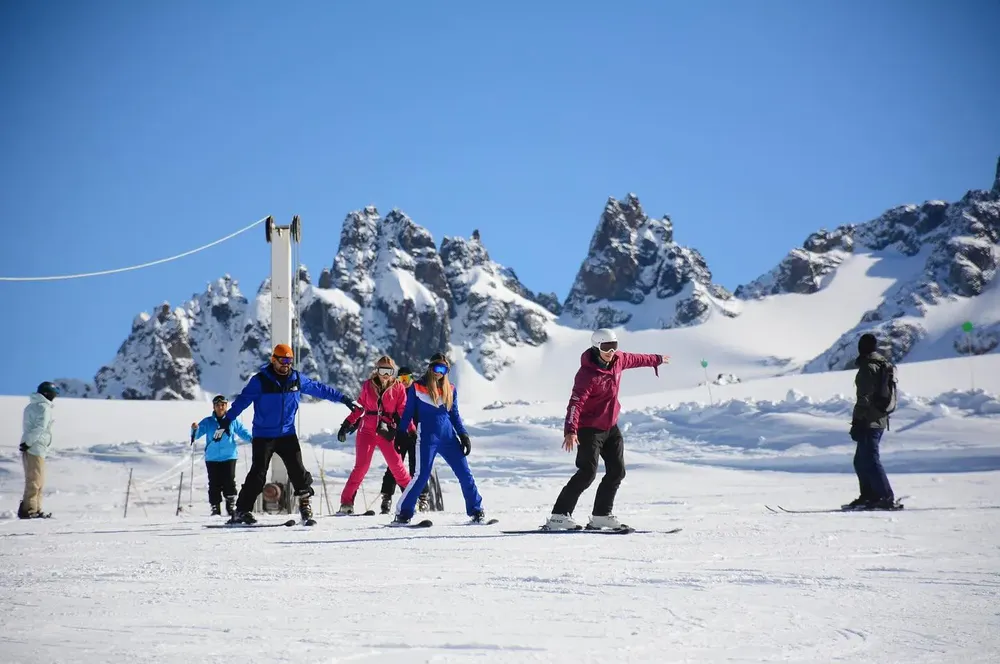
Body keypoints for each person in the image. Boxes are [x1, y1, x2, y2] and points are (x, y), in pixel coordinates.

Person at [219, 343, 361, 524]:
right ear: (273, 360)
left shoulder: (296, 379)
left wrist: (344, 399)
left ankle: (305, 506)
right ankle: (241, 511)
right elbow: (242, 402)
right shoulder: (260, 381)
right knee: (258, 474)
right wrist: (226, 420)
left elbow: (320, 389)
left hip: (287, 433)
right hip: (264, 435)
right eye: (282, 361)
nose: (286, 364)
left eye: (289, 361)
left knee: (297, 470)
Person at [546, 329, 669, 531]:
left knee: (617, 471)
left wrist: (657, 359)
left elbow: (636, 359)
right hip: (589, 429)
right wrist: (570, 430)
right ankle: (559, 516)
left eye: (614, 346)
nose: (611, 352)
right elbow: (576, 403)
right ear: (596, 347)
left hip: (610, 426)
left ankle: (601, 516)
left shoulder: (618, 360)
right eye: (606, 347)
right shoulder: (587, 374)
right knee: (587, 472)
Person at [392, 353, 487, 525]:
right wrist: (400, 433)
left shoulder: (450, 389)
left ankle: (476, 511)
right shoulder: (417, 387)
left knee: (465, 473)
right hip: (427, 438)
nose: (439, 372)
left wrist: (463, 434)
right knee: (421, 476)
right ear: (430, 368)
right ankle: (403, 513)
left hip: (448, 438)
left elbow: (454, 415)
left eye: (443, 369)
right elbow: (407, 413)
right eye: (437, 368)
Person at [335, 356, 412, 514]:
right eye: (382, 370)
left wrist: (411, 430)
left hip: (386, 430)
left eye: (389, 371)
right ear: (376, 370)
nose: (385, 375)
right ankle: (346, 503)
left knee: (397, 466)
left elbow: (403, 410)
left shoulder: (398, 387)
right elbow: (360, 407)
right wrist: (347, 424)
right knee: (361, 467)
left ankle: (411, 499)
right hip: (367, 431)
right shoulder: (368, 385)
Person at [846, 333, 899, 510]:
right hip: (879, 418)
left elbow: (864, 398)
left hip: (869, 420)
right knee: (861, 460)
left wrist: (857, 421)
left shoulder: (868, 367)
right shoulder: (883, 363)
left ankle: (884, 496)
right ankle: (869, 496)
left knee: (869, 459)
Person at [377, 366, 431, 514]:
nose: (405, 382)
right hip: (399, 435)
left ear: (412, 378)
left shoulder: (419, 392)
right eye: (401, 379)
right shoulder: (395, 392)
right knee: (394, 466)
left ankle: (423, 498)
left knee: (417, 468)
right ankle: (386, 497)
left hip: (416, 435)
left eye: (407, 378)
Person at [191, 395, 253, 517]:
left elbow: (242, 432)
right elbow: (197, 434)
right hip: (212, 457)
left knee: (229, 481)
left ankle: (230, 506)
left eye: (223, 405)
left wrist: (252, 439)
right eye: (218, 405)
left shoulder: (232, 420)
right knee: (214, 483)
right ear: (214, 407)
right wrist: (194, 429)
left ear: (226, 406)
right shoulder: (208, 422)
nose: (220, 407)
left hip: (229, 456)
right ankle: (215, 508)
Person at [17, 382, 59, 519]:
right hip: (35, 447)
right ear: (47, 393)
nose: (54, 397)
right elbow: (40, 428)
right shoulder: (44, 408)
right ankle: (29, 510)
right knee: (35, 481)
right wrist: (29, 443)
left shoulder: (31, 406)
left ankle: (35, 508)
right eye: (53, 394)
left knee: (37, 480)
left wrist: (27, 443)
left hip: (33, 446)